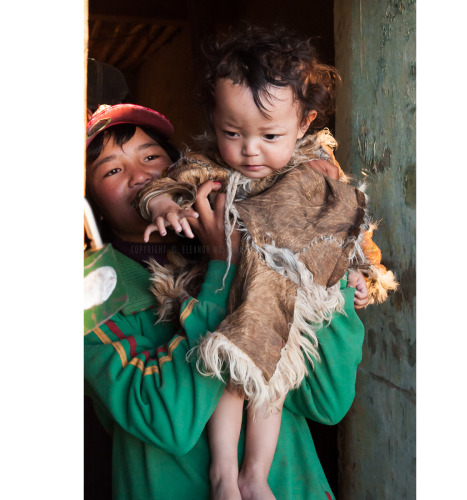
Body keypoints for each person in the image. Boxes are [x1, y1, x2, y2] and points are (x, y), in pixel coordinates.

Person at [133, 26, 396, 500]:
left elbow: (352, 238)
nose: (250, 149)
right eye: (232, 133)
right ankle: (223, 475)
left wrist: (361, 278)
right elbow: (163, 188)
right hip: (219, 300)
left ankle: (254, 475)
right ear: (213, 119)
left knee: (269, 381)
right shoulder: (207, 167)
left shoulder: (317, 174)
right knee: (227, 376)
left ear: (305, 123)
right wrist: (163, 208)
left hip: (280, 314)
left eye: (269, 134)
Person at [84, 102, 367, 500]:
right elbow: (168, 422)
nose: (140, 175)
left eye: (151, 157)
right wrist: (222, 273)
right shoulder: (93, 295)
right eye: (112, 170)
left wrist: (324, 268)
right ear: (89, 200)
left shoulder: (254, 240)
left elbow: (327, 401)